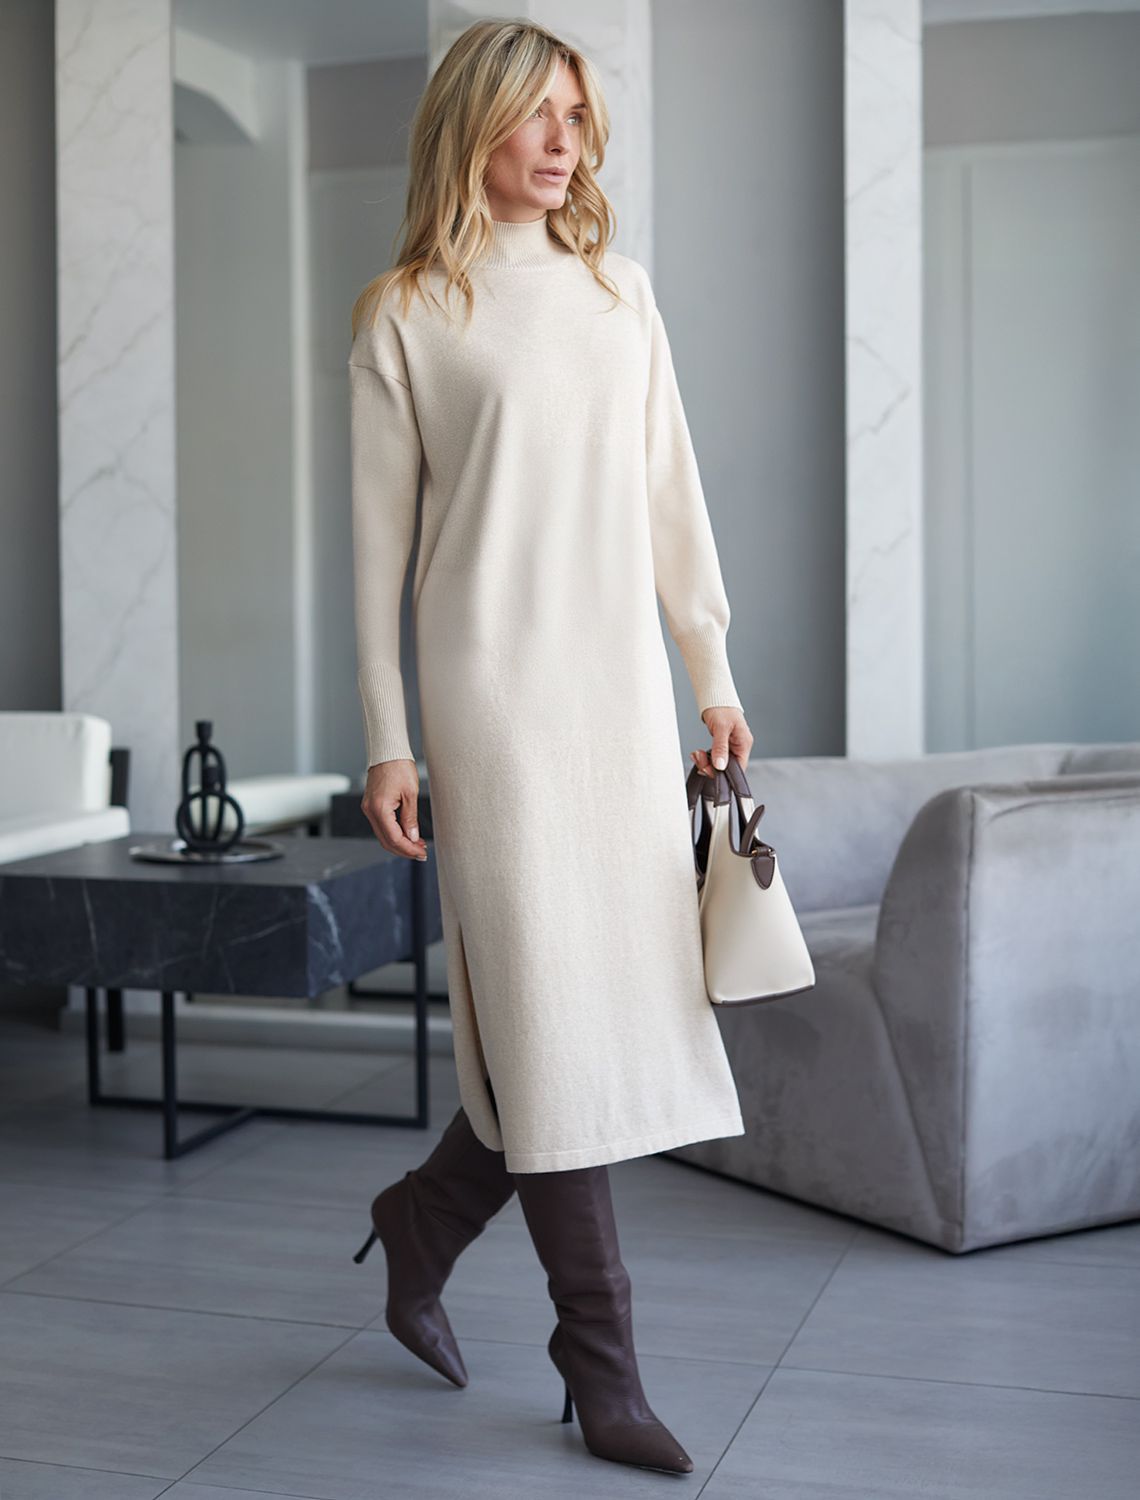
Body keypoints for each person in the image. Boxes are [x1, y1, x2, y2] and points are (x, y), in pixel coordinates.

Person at [347, 18, 754, 1478]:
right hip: (492, 704)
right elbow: (378, 553)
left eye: (578, 117)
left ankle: (424, 1220)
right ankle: (602, 1357)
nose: (565, 143)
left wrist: (709, 669)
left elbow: (671, 498)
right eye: (539, 115)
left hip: (616, 695)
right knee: (546, 1016)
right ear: (475, 128)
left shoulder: (616, 293)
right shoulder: (406, 313)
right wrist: (389, 739)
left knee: (581, 1011)